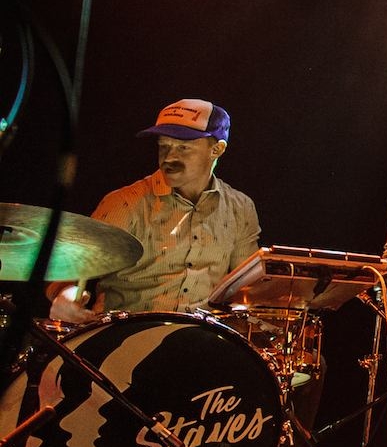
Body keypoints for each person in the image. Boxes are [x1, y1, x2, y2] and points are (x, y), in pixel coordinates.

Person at [50, 99, 260, 321]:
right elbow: (65, 272)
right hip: (126, 339)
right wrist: (64, 295)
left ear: (217, 149)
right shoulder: (125, 203)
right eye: (163, 145)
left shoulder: (241, 207)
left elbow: (245, 290)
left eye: (183, 147)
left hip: (201, 342)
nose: (169, 157)